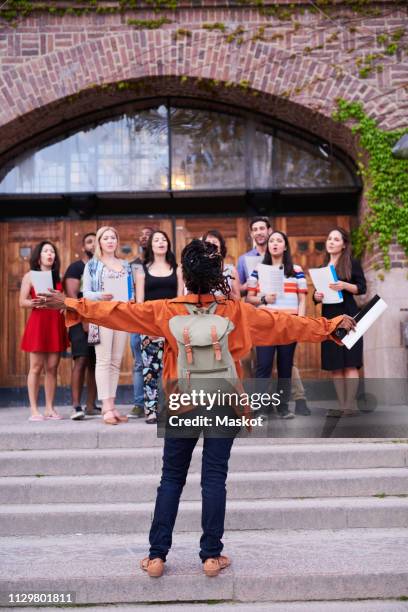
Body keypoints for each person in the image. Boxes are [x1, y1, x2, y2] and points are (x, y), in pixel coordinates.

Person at [39, 239, 356, 578]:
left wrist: (71, 302)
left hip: (181, 399)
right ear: (218, 275)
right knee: (214, 477)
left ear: (186, 276)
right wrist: (329, 327)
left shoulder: (166, 309)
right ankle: (211, 556)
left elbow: (119, 312)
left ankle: (157, 556)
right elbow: (284, 323)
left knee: (171, 478)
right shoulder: (235, 311)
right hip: (224, 399)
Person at [247, 231, 308, 419]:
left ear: (285, 246)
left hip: (288, 324)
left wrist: (301, 322)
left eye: (279, 241)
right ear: (268, 246)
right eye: (272, 240)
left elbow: (302, 298)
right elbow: (250, 298)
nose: (274, 244)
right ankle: (261, 409)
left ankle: (283, 408)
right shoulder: (258, 269)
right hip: (265, 324)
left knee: (285, 366)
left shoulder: (296, 270)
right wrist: (264, 298)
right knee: (263, 366)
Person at [83, 226, 134, 425]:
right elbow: (86, 293)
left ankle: (112, 406)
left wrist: (131, 300)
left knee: (115, 362)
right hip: (102, 315)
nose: (110, 241)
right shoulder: (93, 265)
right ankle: (105, 407)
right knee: (103, 361)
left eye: (113, 237)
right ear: (100, 242)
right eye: (106, 238)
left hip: (121, 315)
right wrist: (100, 296)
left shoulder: (125, 264)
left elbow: (130, 290)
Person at [313, 227, 366, 417]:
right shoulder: (321, 268)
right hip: (329, 318)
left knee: (350, 363)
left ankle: (350, 406)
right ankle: (342, 405)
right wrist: (316, 296)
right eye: (329, 238)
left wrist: (344, 285)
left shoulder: (352, 263)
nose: (331, 242)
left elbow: (362, 288)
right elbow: (317, 296)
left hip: (350, 317)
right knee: (336, 364)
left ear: (344, 245)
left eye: (336, 239)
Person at [135, 230, 183, 424]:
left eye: (164, 240)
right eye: (156, 240)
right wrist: (148, 329)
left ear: (168, 244)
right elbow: (139, 304)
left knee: (174, 369)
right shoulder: (142, 271)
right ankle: (151, 410)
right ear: (151, 245)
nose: (161, 242)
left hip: (172, 326)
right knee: (150, 370)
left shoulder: (178, 269)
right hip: (150, 327)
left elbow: (180, 300)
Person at [20, 241, 69, 421]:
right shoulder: (30, 276)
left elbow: (64, 300)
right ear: (38, 256)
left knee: (52, 367)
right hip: (39, 323)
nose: (50, 254)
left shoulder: (58, 276)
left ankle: (49, 408)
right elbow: (22, 301)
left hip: (55, 323)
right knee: (35, 367)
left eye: (52, 252)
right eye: (46, 251)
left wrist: (64, 305)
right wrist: (32, 302)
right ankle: (34, 410)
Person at [63, 232, 98, 421]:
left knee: (95, 363)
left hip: (97, 320)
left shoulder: (100, 267)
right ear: (83, 247)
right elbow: (72, 297)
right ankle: (76, 405)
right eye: (89, 241)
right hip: (79, 321)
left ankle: (91, 405)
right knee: (81, 360)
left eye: (95, 241)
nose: (93, 245)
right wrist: (85, 320)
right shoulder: (76, 268)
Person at [128, 226, 154, 419]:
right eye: (142, 235)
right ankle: (139, 403)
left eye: (148, 235)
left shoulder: (161, 264)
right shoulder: (134, 265)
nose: (144, 238)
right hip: (137, 317)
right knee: (139, 362)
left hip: (156, 317)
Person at [202, 230, 241, 300]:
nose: (211, 245)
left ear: (221, 246)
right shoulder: (199, 269)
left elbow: (238, 299)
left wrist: (225, 289)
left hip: (226, 309)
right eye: (207, 242)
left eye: (214, 242)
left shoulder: (231, 270)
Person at [237, 217, 272, 291]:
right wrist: (248, 285)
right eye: (255, 230)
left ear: (269, 231)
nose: (259, 232)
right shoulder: (243, 259)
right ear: (252, 234)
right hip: (253, 301)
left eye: (262, 228)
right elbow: (239, 292)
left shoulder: (278, 256)